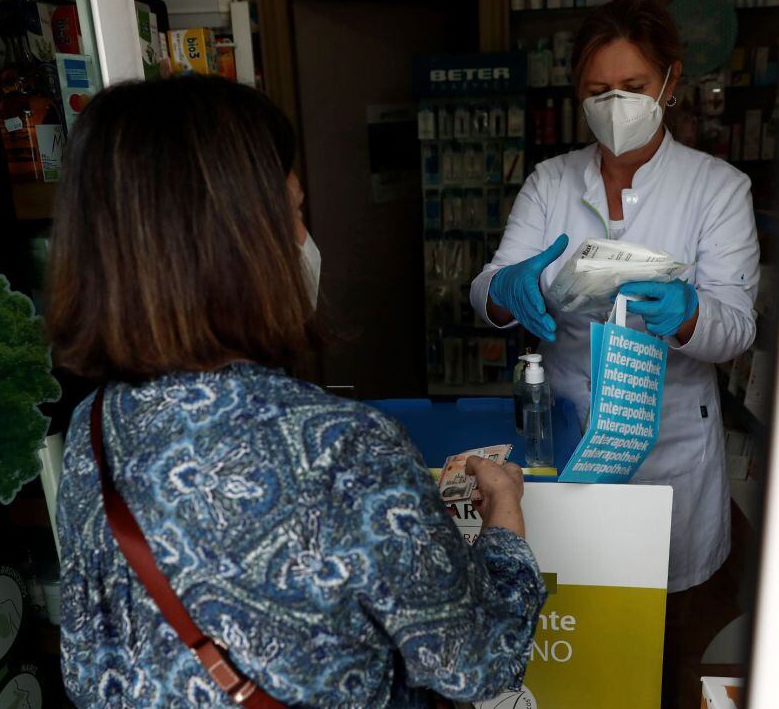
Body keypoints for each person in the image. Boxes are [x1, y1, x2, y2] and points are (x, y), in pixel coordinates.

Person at [46, 75, 546, 708]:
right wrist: (504, 519)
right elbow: (476, 662)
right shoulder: (342, 449)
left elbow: (88, 662)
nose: (306, 241)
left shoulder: (96, 428)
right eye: (297, 212)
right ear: (240, 243)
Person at [471, 0, 758, 600]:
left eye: (633, 87)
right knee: (578, 608)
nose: (615, 105)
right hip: (566, 427)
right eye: (598, 90)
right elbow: (488, 287)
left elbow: (735, 327)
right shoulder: (550, 183)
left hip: (671, 439)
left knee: (666, 619)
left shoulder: (718, 189)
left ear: (671, 83)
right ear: (576, 91)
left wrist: (691, 315)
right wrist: (504, 289)